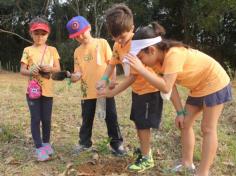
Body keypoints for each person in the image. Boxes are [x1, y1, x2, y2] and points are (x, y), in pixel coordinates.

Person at [125, 21, 232, 176]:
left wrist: (141, 70)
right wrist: (180, 112)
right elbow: (172, 86)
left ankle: (203, 172)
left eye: (140, 57)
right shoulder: (157, 62)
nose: (140, 62)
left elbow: (166, 86)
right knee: (184, 123)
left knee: (207, 128)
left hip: (215, 81)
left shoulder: (173, 54)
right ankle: (187, 164)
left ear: (152, 50)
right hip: (198, 87)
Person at [97, 4, 163, 172]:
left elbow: (133, 77)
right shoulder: (118, 46)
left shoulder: (138, 44)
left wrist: (112, 92)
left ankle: (147, 157)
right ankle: (144, 149)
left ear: (132, 28)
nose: (119, 40)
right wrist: (104, 79)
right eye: (115, 37)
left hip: (149, 90)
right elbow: (112, 64)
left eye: (122, 36)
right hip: (138, 91)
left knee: (143, 125)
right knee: (138, 122)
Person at [65, 15, 125, 156]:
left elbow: (112, 64)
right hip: (87, 92)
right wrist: (74, 77)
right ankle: (84, 143)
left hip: (104, 90)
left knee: (111, 117)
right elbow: (78, 73)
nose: (80, 37)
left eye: (82, 32)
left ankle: (116, 144)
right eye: (76, 36)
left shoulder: (102, 43)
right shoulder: (77, 52)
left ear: (89, 28)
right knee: (87, 118)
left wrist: (111, 83)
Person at [20, 16, 61, 161]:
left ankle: (46, 144)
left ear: (48, 34)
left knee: (47, 119)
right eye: (36, 33)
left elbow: (57, 68)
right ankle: (39, 148)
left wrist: (50, 68)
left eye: (43, 33)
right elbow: (22, 70)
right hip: (33, 92)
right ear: (31, 34)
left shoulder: (52, 50)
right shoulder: (27, 50)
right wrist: (31, 70)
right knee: (36, 118)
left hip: (48, 91)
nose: (39, 36)